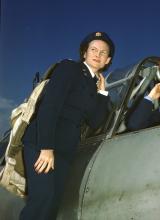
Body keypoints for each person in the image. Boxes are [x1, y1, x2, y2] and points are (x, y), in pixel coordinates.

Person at [19, 31, 115, 220]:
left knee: (53, 205)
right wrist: (46, 147)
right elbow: (50, 105)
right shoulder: (69, 68)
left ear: (107, 60)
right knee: (42, 200)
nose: (97, 54)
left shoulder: (94, 85)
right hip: (43, 142)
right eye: (93, 50)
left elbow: (95, 122)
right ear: (84, 53)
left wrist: (102, 94)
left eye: (103, 53)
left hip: (65, 150)